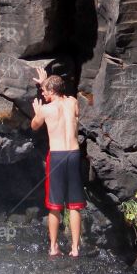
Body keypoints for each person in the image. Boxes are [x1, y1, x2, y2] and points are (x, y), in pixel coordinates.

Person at [30, 66, 93, 258]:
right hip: (73, 154)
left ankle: (54, 247)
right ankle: (75, 248)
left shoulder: (46, 109)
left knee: (54, 205)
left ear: (51, 92)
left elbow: (34, 126)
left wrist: (37, 111)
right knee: (74, 205)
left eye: (44, 91)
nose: (42, 93)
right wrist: (46, 82)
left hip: (56, 156)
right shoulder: (73, 102)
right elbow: (66, 106)